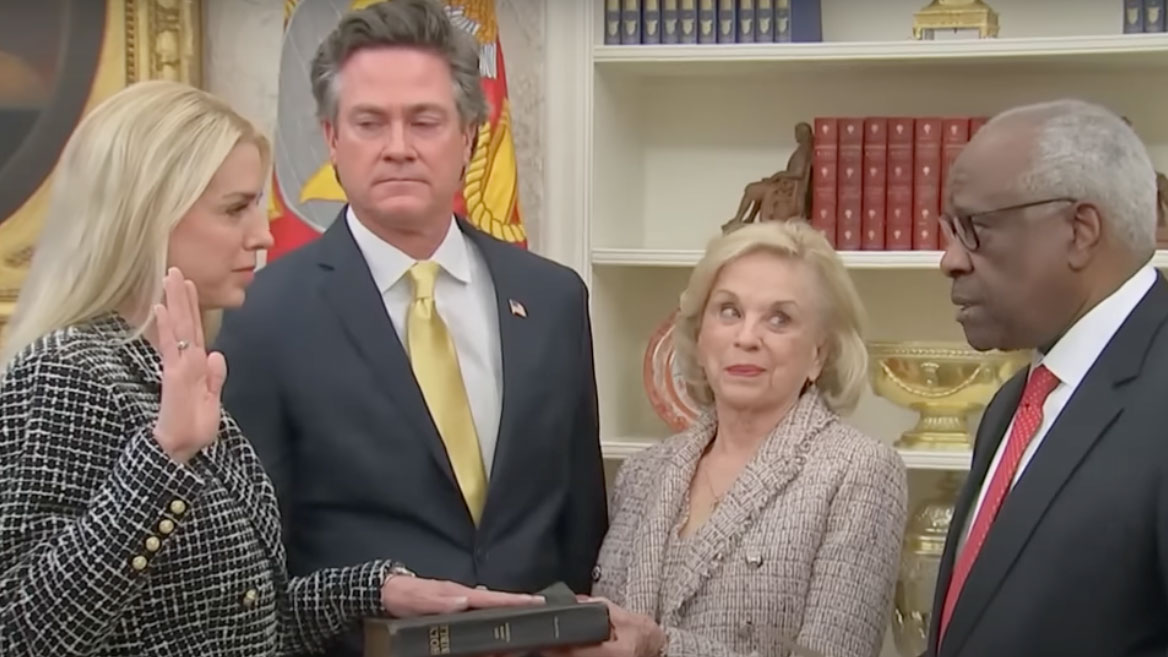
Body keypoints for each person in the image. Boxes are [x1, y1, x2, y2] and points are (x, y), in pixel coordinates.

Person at [0, 80, 539, 657]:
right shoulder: (63, 373)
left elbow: (235, 615)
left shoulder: (181, 365)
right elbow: (25, 635)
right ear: (148, 214)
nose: (261, 235)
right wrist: (163, 457)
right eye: (236, 209)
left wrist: (374, 589)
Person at [213, 1, 607, 654]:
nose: (398, 147)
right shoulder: (264, 314)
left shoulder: (553, 299)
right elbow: (249, 562)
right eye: (370, 123)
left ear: (470, 135)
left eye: (424, 121)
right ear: (331, 139)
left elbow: (580, 520)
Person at [566, 221, 907, 657]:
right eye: (729, 311)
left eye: (779, 319)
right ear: (700, 333)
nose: (746, 338)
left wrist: (663, 649)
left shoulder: (860, 471)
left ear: (818, 354)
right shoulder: (641, 473)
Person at [925, 98, 1168, 657]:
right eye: (950, 231)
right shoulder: (1014, 404)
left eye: (975, 228)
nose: (950, 260)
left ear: (1080, 231)